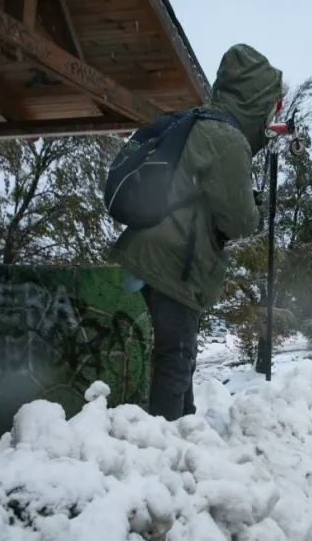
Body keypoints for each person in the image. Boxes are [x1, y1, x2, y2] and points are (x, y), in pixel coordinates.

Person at [110, 44, 284, 421]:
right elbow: (240, 222)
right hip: (172, 267)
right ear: (256, 101)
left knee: (163, 359)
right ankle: (162, 452)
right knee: (175, 359)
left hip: (140, 257)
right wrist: (257, 207)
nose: (272, 117)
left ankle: (178, 438)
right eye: (272, 106)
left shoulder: (196, 122)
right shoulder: (229, 140)